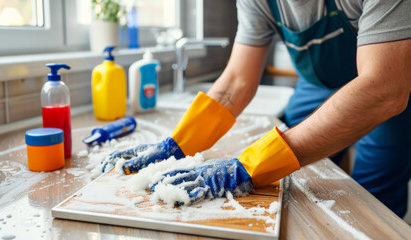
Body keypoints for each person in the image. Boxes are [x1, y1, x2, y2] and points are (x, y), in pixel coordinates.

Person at [102, 0, 411, 217]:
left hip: (387, 80)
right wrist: (178, 144)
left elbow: (384, 88)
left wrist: (251, 165)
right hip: (315, 84)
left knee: (369, 206)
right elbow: (237, 80)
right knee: (297, 184)